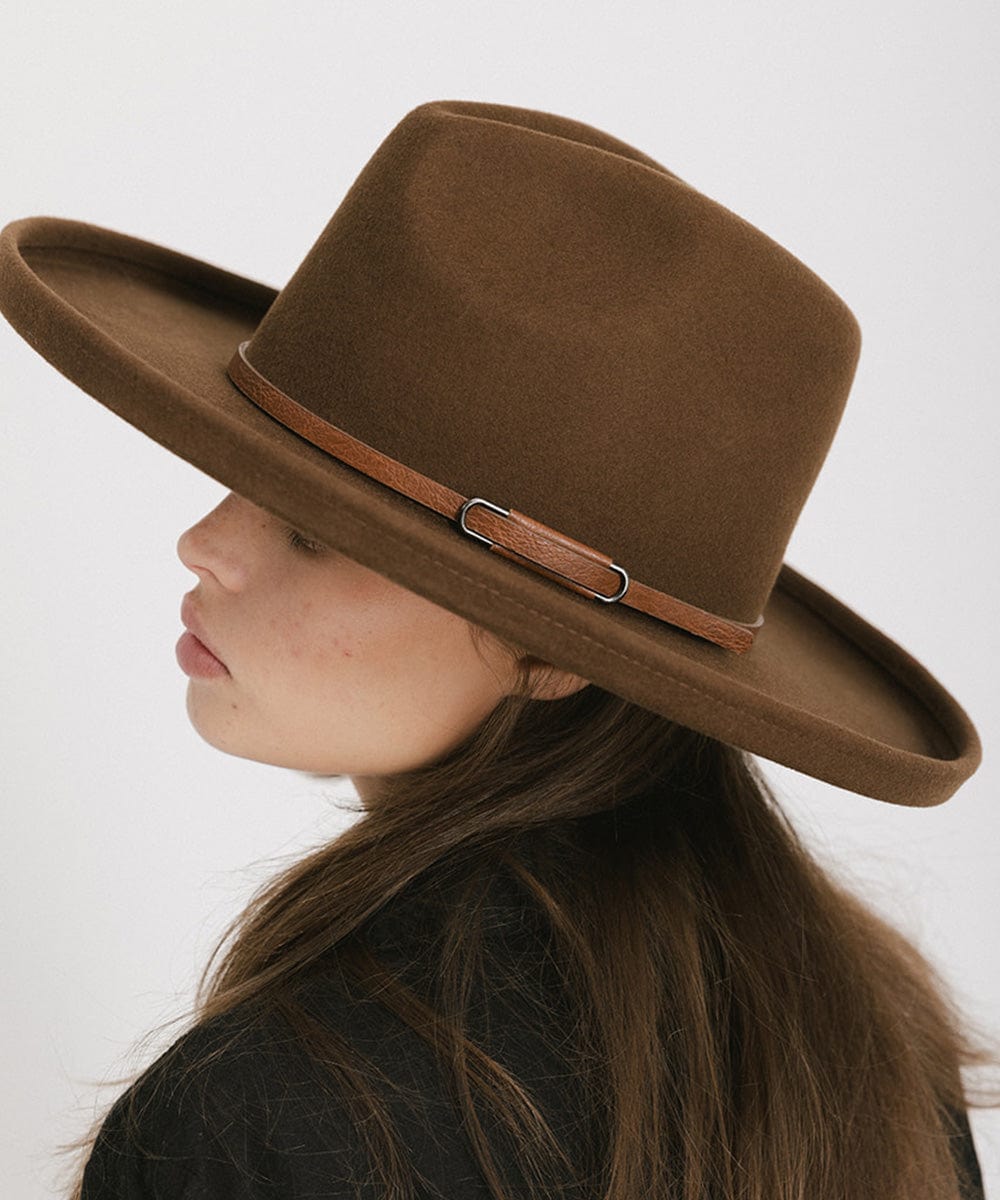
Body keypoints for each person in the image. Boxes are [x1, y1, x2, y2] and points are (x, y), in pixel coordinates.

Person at [0, 98, 995, 1200]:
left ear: (552, 655)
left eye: (314, 533)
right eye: (248, 477)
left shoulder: (267, 1115)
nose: (203, 545)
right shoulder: (859, 1055)